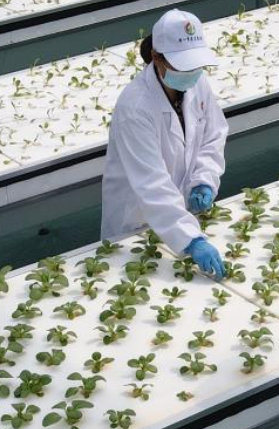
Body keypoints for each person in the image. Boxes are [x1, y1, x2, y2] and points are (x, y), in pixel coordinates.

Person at [101, 9, 227, 278]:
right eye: (184, 65)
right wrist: (192, 240)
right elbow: (151, 184)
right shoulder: (135, 108)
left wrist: (204, 179)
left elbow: (213, 135)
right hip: (136, 223)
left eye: (196, 64)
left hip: (178, 214)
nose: (193, 73)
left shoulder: (198, 82)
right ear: (157, 58)